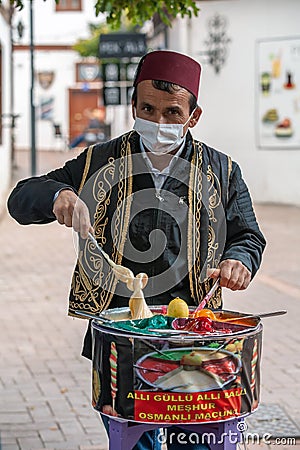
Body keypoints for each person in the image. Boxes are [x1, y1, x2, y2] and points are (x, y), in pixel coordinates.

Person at [7, 50, 266, 450]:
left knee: (197, 441)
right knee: (133, 442)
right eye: (147, 108)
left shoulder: (222, 171)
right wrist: (58, 194)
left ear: (193, 117)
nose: (158, 122)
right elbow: (20, 198)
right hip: (121, 338)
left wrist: (239, 261)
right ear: (133, 106)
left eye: (172, 113)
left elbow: (248, 235)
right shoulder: (99, 161)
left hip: (197, 336)